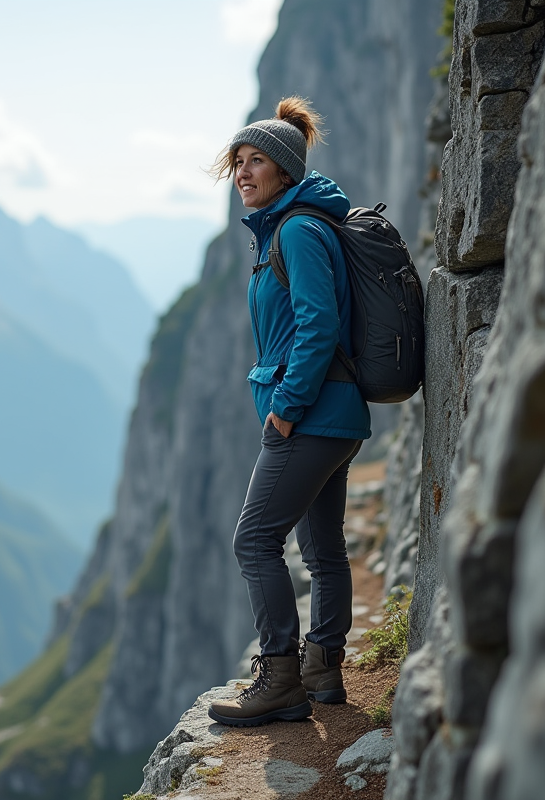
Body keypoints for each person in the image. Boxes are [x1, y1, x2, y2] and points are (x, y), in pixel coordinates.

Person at [206, 96, 370, 727]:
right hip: (336, 415)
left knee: (254, 540)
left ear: (285, 170)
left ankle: (279, 678)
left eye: (257, 162)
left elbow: (317, 324)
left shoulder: (299, 230)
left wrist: (286, 408)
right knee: (322, 547)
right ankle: (323, 669)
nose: (244, 173)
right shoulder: (292, 226)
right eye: (238, 162)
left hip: (310, 414)